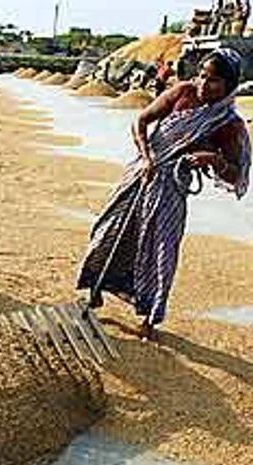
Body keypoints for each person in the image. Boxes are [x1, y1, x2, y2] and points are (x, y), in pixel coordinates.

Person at [77, 48, 250, 341]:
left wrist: (214, 160)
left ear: (230, 86)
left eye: (214, 81)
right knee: (108, 232)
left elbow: (234, 174)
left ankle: (148, 318)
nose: (203, 85)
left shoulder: (229, 124)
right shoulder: (182, 92)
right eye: (202, 76)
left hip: (171, 189)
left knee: (159, 251)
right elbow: (141, 121)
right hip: (141, 174)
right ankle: (95, 291)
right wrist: (146, 158)